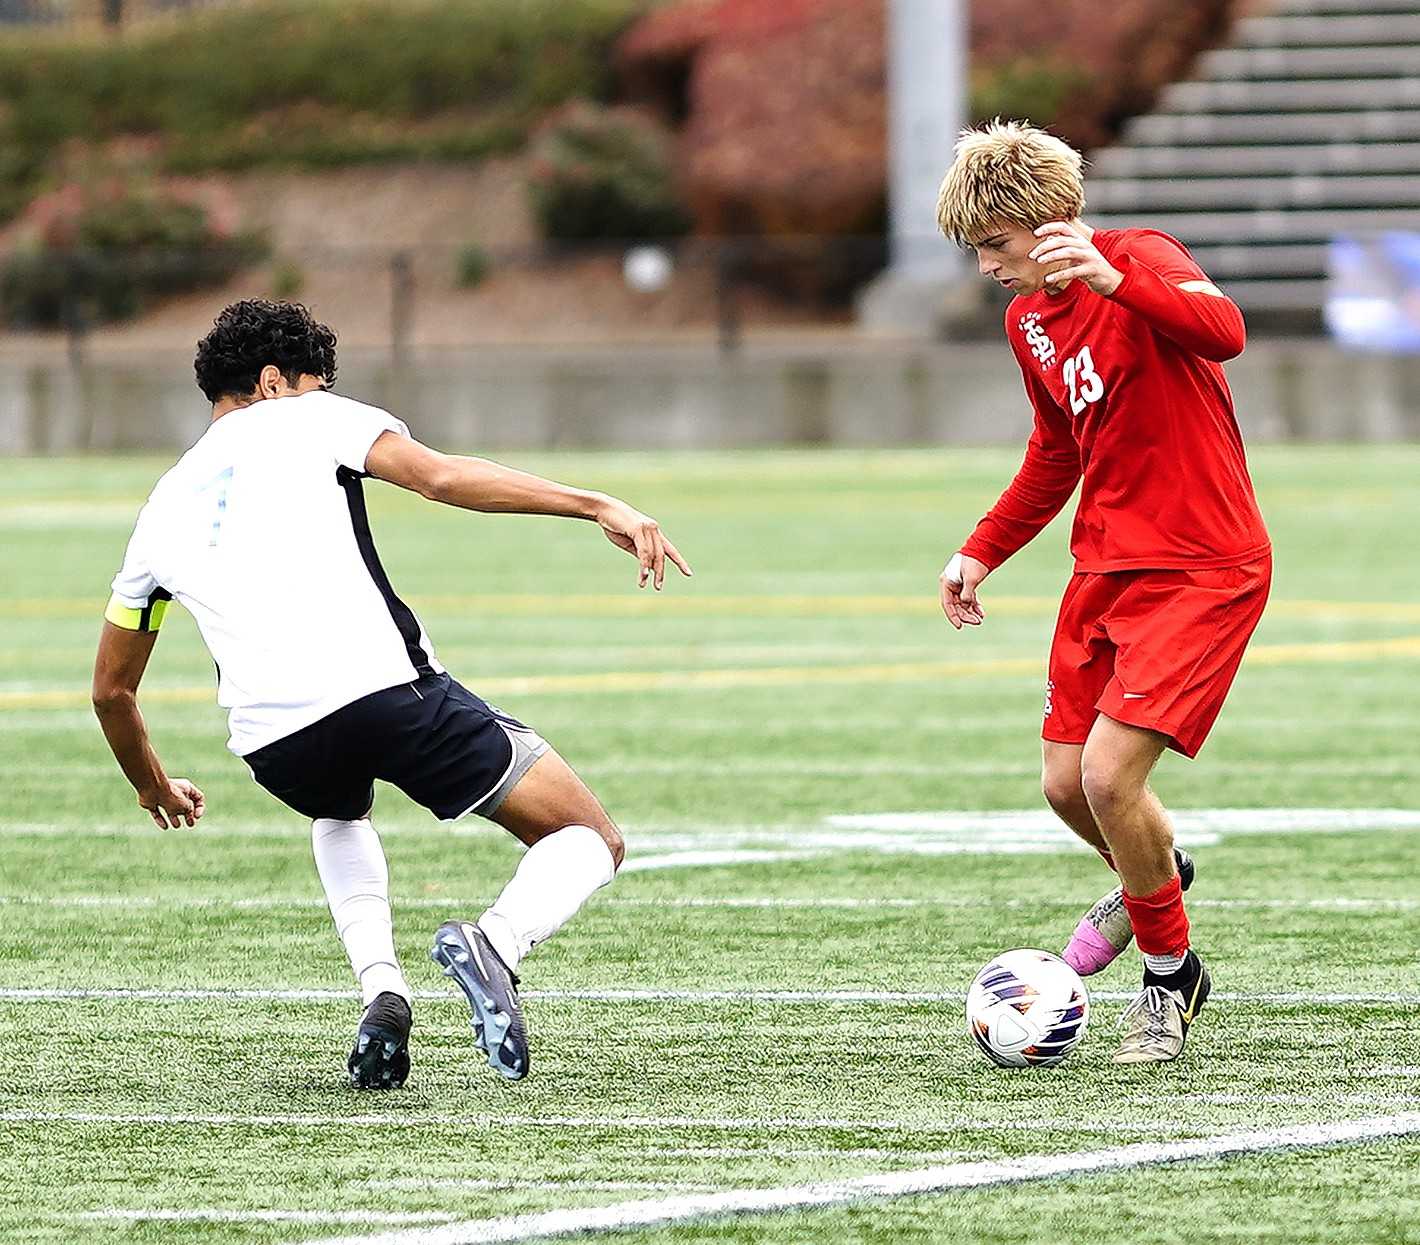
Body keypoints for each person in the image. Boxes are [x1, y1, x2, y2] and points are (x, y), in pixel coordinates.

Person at [91, 299, 691, 1088]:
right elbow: (440, 478)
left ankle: (382, 994)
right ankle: (497, 946)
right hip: (386, 695)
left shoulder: (159, 508)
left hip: (275, 743)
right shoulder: (312, 418)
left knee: (339, 809)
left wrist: (153, 785)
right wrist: (595, 503)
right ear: (274, 382)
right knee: (589, 838)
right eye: (313, 382)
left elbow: (110, 690)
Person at [934, 121, 1271, 1064]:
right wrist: (981, 549)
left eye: (993, 246)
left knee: (1110, 776)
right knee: (1062, 784)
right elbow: (1055, 453)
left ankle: (1170, 979)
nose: (987, 268)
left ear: (1042, 225)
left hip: (1205, 564)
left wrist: (1119, 282)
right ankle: (1153, 876)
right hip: (1105, 566)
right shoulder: (1027, 322)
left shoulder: (1141, 258)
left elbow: (1227, 332)